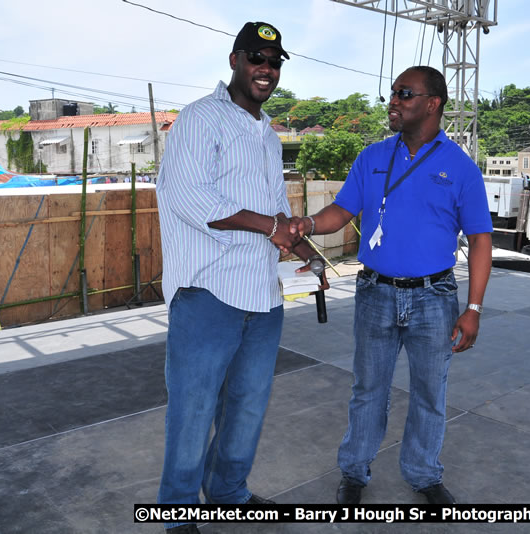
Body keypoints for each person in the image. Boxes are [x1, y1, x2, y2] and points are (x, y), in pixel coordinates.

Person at [289, 66, 493, 505]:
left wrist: (473, 309)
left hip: (435, 298)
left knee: (429, 393)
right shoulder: (372, 157)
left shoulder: (460, 167)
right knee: (368, 390)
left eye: (405, 93)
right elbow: (340, 212)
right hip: (376, 293)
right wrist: (306, 222)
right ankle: (354, 472)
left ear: (433, 103)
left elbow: (480, 240)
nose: (394, 101)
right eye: (393, 93)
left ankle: (423, 474)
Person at [155, 21, 315, 534]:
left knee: (247, 406)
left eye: (274, 62)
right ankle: (178, 512)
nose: (266, 69)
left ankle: (227, 492)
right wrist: (271, 225)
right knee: (194, 408)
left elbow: (275, 209)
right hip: (207, 290)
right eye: (256, 58)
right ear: (234, 61)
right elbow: (189, 197)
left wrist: (303, 251)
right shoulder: (201, 120)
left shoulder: (267, 132)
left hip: (263, 293)